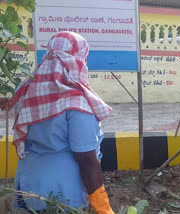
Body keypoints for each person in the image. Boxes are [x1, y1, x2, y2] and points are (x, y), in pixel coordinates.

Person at [6, 31, 115, 214]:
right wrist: (103, 208)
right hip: (62, 193)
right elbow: (86, 159)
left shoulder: (26, 89)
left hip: (26, 182)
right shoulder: (76, 102)